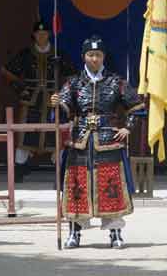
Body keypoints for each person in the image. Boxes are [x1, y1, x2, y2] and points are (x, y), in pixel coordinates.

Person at [50, 35, 144, 249]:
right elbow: (62, 112)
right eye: (91, 55)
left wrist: (127, 127)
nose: (94, 59)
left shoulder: (116, 82)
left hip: (107, 140)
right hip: (80, 141)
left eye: (98, 55)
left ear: (103, 57)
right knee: (77, 186)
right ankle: (75, 232)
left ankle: (115, 232)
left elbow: (138, 108)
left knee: (111, 186)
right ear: (84, 56)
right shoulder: (73, 82)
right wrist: (56, 104)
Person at [1, 20, 75, 182]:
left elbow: (72, 78)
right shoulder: (25, 54)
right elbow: (6, 72)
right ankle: (18, 172)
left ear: (49, 34)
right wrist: (21, 89)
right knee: (24, 136)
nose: (41, 36)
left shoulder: (58, 54)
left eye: (45, 33)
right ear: (34, 35)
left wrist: (62, 94)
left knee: (55, 136)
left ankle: (60, 174)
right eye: (38, 33)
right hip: (31, 102)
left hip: (52, 102)